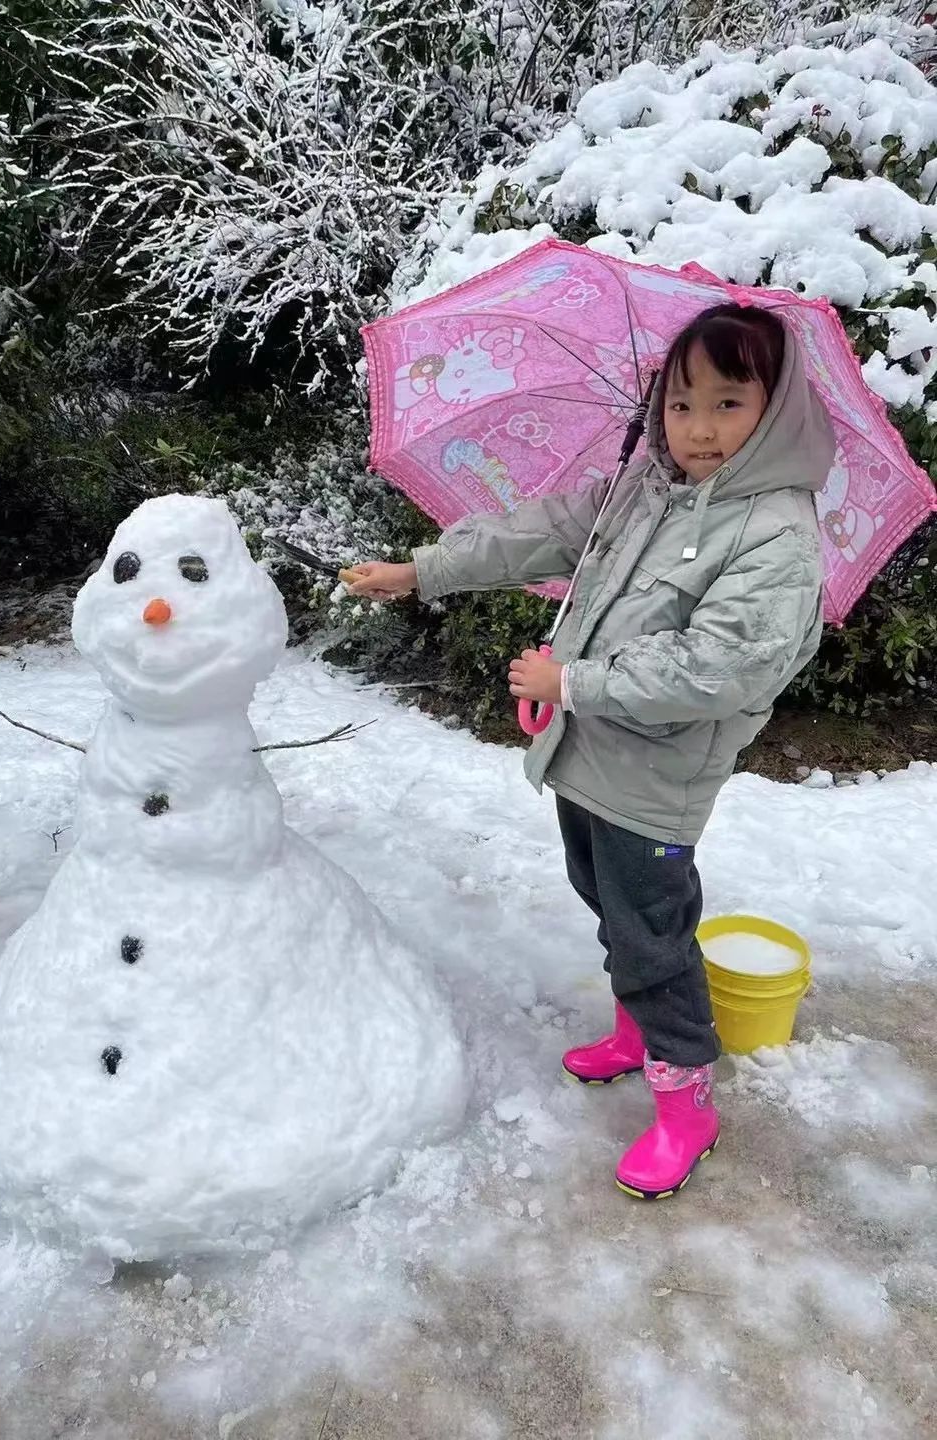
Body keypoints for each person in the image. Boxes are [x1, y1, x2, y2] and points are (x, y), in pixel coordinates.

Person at [346, 303, 834, 1200]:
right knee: (605, 900)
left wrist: (570, 684)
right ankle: (637, 1034)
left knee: (653, 939)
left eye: (729, 403)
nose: (699, 428)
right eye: (681, 403)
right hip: (588, 756)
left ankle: (687, 1102)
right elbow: (540, 530)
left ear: (778, 408)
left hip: (654, 776)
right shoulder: (645, 486)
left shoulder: (777, 534)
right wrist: (422, 572)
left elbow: (717, 668)